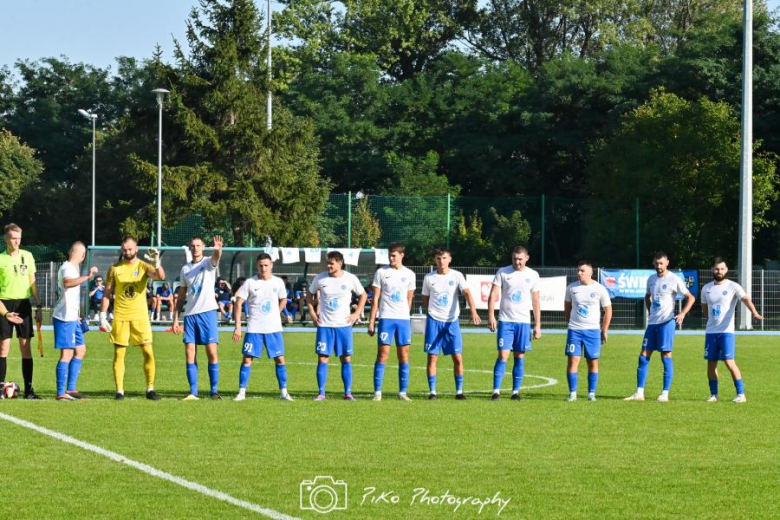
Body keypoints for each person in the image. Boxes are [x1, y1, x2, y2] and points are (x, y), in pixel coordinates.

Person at [99, 235, 165, 400]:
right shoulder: (114, 268)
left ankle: (150, 389)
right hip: (121, 316)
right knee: (119, 354)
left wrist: (157, 263)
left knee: (148, 352)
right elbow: (107, 293)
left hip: (140, 317)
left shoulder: (143, 266)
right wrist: (102, 315)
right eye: (124, 249)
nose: (127, 252)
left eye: (130, 249)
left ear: (136, 249)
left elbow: (160, 277)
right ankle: (119, 391)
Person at [625, 251, 695, 402]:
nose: (659, 266)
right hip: (652, 324)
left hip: (666, 323)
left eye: (661, 263)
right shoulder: (651, 279)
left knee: (666, 356)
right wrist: (650, 310)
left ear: (667, 263)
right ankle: (639, 393)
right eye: (656, 264)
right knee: (643, 356)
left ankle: (665, 393)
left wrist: (682, 313)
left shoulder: (674, 279)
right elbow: (647, 296)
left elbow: (690, 297)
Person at [307, 251, 367, 401]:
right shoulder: (320, 278)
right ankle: (321, 393)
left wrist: (356, 314)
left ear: (340, 264)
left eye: (331, 263)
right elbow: (309, 296)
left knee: (346, 359)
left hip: (343, 326)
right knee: (322, 358)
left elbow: (364, 295)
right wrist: (314, 315)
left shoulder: (350, 278)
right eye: (328, 263)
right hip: (325, 326)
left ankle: (348, 393)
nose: (328, 266)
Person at [232, 253, 292, 401]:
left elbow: (283, 299)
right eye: (260, 265)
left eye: (266, 265)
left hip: (273, 328)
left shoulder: (278, 282)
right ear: (257, 266)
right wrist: (238, 327)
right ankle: (241, 392)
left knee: (280, 359)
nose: (263, 268)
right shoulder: (250, 283)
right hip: (254, 328)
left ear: (271, 265)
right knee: (247, 360)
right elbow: (238, 303)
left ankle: (284, 392)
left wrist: (277, 312)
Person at [701, 257, 762, 403]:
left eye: (722, 269)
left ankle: (741, 394)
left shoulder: (733, 286)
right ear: (712, 270)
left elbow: (746, 299)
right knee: (711, 364)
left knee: (729, 362)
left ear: (726, 270)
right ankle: (714, 394)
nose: (719, 271)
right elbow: (704, 308)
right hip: (711, 333)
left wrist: (754, 312)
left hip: (727, 332)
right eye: (716, 269)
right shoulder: (706, 288)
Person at [422, 247, 480, 400]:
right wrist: (431, 314)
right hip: (434, 321)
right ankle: (432, 392)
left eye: (444, 258)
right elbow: (425, 299)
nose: (441, 261)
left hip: (452, 322)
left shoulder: (457, 275)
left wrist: (473, 311)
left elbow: (466, 292)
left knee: (457, 358)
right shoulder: (429, 278)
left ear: (449, 259)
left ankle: (459, 392)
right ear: (435, 260)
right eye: (439, 258)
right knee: (432, 357)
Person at [172, 236, 223, 400]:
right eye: (193, 246)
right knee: (189, 352)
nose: (195, 248)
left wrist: (217, 249)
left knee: (212, 352)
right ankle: (193, 392)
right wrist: (175, 318)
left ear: (203, 247)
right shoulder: (185, 269)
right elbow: (181, 295)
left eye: (198, 245)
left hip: (208, 313)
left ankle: (214, 391)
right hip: (190, 315)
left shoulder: (208, 263)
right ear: (189, 248)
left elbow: (216, 258)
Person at [488, 246, 541, 401]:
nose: (517, 262)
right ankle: (496, 391)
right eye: (514, 259)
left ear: (527, 258)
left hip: (523, 322)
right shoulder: (503, 272)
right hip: (506, 321)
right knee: (503, 355)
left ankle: (515, 392)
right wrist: (491, 316)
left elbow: (536, 301)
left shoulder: (533, 275)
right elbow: (493, 295)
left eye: (520, 259)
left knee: (519, 356)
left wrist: (537, 325)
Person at [368, 242, 416, 401]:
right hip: (386, 318)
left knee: (404, 355)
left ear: (402, 255)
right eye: (390, 255)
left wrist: (405, 315)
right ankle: (377, 392)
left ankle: (402, 392)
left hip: (402, 320)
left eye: (394, 255)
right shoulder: (381, 272)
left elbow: (410, 299)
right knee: (383, 354)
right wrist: (372, 321)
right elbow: (375, 299)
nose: (391, 258)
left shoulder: (410, 274)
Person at [0, 223, 43, 399]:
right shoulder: (0, 259)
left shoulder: (28, 256)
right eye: (13, 238)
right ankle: (0, 388)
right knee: (3, 348)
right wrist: (5, 313)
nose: (17, 242)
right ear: (6, 239)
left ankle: (29, 390)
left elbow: (32, 283)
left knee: (26, 348)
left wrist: (38, 305)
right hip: (4, 304)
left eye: (19, 238)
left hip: (23, 305)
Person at [52, 242, 98, 400]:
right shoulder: (67, 268)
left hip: (73, 317)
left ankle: (71, 389)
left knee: (80, 350)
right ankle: (61, 392)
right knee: (67, 353)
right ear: (83, 255)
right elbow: (67, 283)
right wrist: (88, 277)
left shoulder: (73, 268)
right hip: (64, 318)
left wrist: (78, 315)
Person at [563, 260, 612, 402]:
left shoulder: (600, 289)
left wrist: (604, 330)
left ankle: (591, 393)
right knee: (573, 361)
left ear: (591, 272)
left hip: (592, 331)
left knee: (592, 362)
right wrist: (570, 322)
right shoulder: (572, 288)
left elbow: (608, 310)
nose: (579, 273)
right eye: (578, 270)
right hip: (575, 330)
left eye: (582, 271)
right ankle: (573, 393)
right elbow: (567, 306)